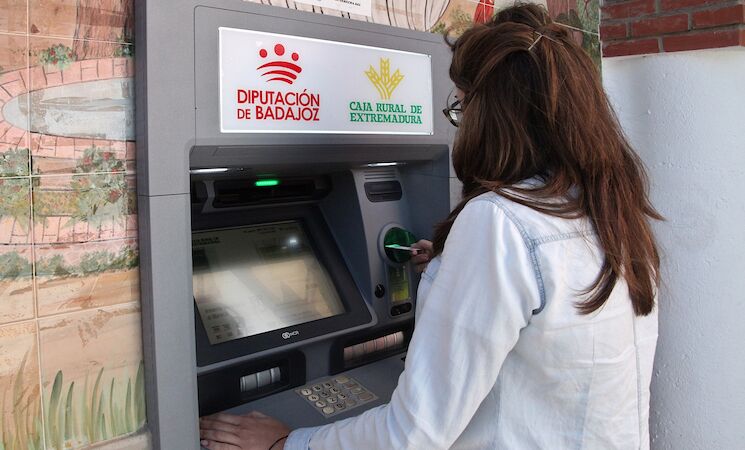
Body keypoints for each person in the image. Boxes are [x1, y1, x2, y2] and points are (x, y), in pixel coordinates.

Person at [199, 3, 661, 449]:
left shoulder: (499, 223)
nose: (461, 124)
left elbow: (412, 435)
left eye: (463, 106)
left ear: (494, 116)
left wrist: (287, 442)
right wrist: (454, 266)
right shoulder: (608, 213)